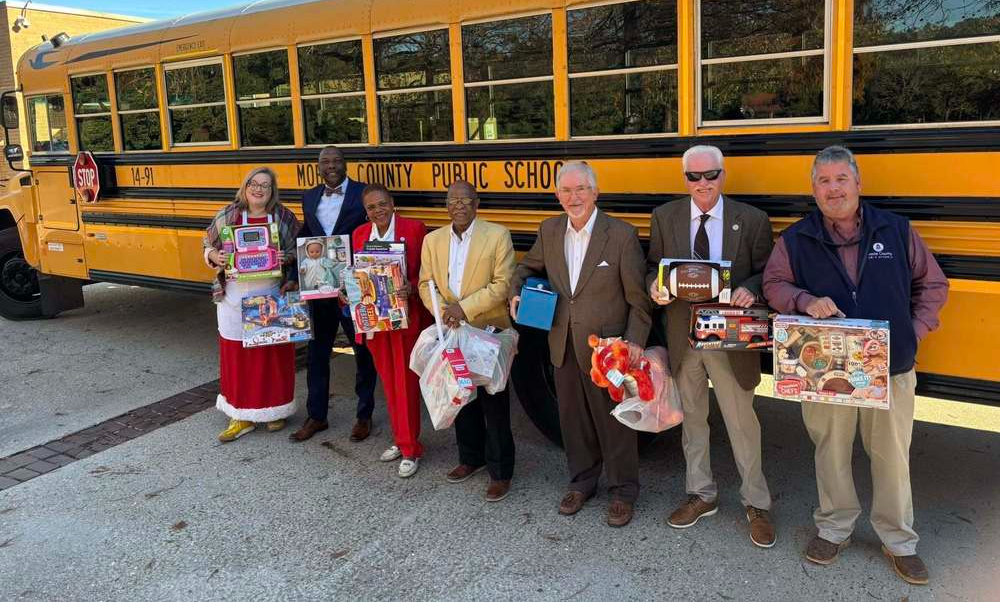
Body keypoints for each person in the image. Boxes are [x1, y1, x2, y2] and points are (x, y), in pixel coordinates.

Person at [762, 145, 948, 584]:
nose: (833, 189)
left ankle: (899, 540)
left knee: (891, 455)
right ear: (813, 190)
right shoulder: (795, 239)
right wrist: (804, 300)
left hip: (891, 368)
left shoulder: (896, 231)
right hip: (825, 370)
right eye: (823, 181)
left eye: (841, 179)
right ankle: (834, 527)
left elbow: (933, 285)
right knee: (831, 449)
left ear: (858, 184)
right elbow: (773, 285)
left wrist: (911, 332)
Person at [646, 144, 776, 547]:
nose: (702, 183)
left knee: (742, 423)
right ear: (683, 178)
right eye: (693, 176)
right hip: (684, 338)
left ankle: (756, 503)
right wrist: (655, 286)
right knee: (693, 421)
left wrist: (748, 289)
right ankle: (701, 494)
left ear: (724, 174)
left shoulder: (751, 220)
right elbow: (654, 266)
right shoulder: (664, 217)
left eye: (710, 175)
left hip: (731, 339)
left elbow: (767, 274)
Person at [510, 161, 651, 527]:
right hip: (562, 342)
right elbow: (526, 269)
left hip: (609, 350)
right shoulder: (550, 229)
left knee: (615, 422)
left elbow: (639, 299)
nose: (574, 197)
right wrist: (515, 292)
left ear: (595, 192)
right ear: (558, 196)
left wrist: (635, 341)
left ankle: (622, 491)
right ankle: (582, 481)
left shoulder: (620, 235)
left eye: (581, 190)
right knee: (571, 418)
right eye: (567, 191)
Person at [419, 180, 517, 502]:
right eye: (452, 200)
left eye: (465, 200)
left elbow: (502, 285)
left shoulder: (497, 235)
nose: (458, 205)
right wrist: (443, 313)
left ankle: (500, 472)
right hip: (451, 331)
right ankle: (470, 458)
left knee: (494, 403)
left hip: (487, 332)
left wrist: (464, 308)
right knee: (461, 396)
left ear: (477, 203)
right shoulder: (432, 241)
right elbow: (425, 284)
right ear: (446, 205)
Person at [289, 146, 379, 443]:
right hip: (319, 289)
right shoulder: (310, 197)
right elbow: (306, 238)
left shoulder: (363, 192)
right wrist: (294, 277)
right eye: (326, 161)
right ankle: (317, 416)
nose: (332, 165)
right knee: (317, 353)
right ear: (318, 167)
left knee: (363, 351)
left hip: (353, 286)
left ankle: (364, 415)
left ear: (345, 164)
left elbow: (376, 231)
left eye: (337, 161)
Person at [203, 167, 300, 442]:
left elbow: (300, 250)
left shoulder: (283, 216)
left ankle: (273, 410)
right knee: (237, 356)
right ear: (245, 187)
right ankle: (240, 415)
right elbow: (206, 244)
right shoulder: (227, 215)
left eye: (266, 186)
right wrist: (214, 255)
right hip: (233, 296)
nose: (259, 189)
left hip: (271, 292)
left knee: (271, 355)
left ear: (272, 191)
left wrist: (286, 257)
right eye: (254, 184)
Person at [351, 183, 430, 478]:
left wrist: (410, 285)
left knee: (406, 383)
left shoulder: (414, 229)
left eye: (382, 204)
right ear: (366, 211)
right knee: (389, 382)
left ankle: (411, 448)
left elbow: (426, 271)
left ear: (392, 203)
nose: (378, 211)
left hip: (404, 318)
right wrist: (348, 291)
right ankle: (401, 439)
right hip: (374, 321)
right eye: (372, 207)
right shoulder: (360, 234)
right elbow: (356, 273)